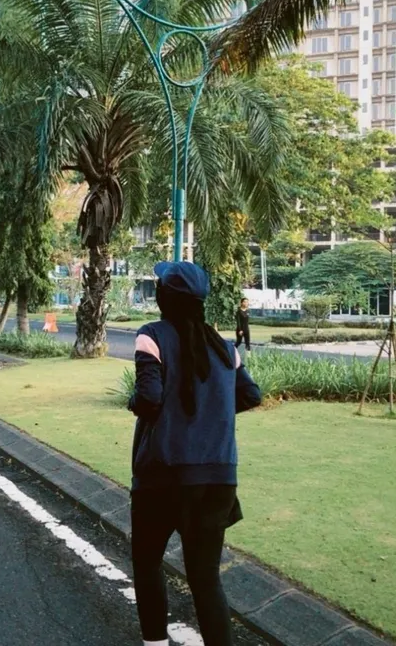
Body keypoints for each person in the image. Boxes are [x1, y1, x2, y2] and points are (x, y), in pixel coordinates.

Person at [129, 262, 262, 646]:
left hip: (163, 476)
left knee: (148, 563)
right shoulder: (224, 347)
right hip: (217, 479)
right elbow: (251, 395)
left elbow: (149, 398)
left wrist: (133, 402)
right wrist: (209, 413)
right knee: (205, 579)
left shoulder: (151, 336)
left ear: (163, 297)